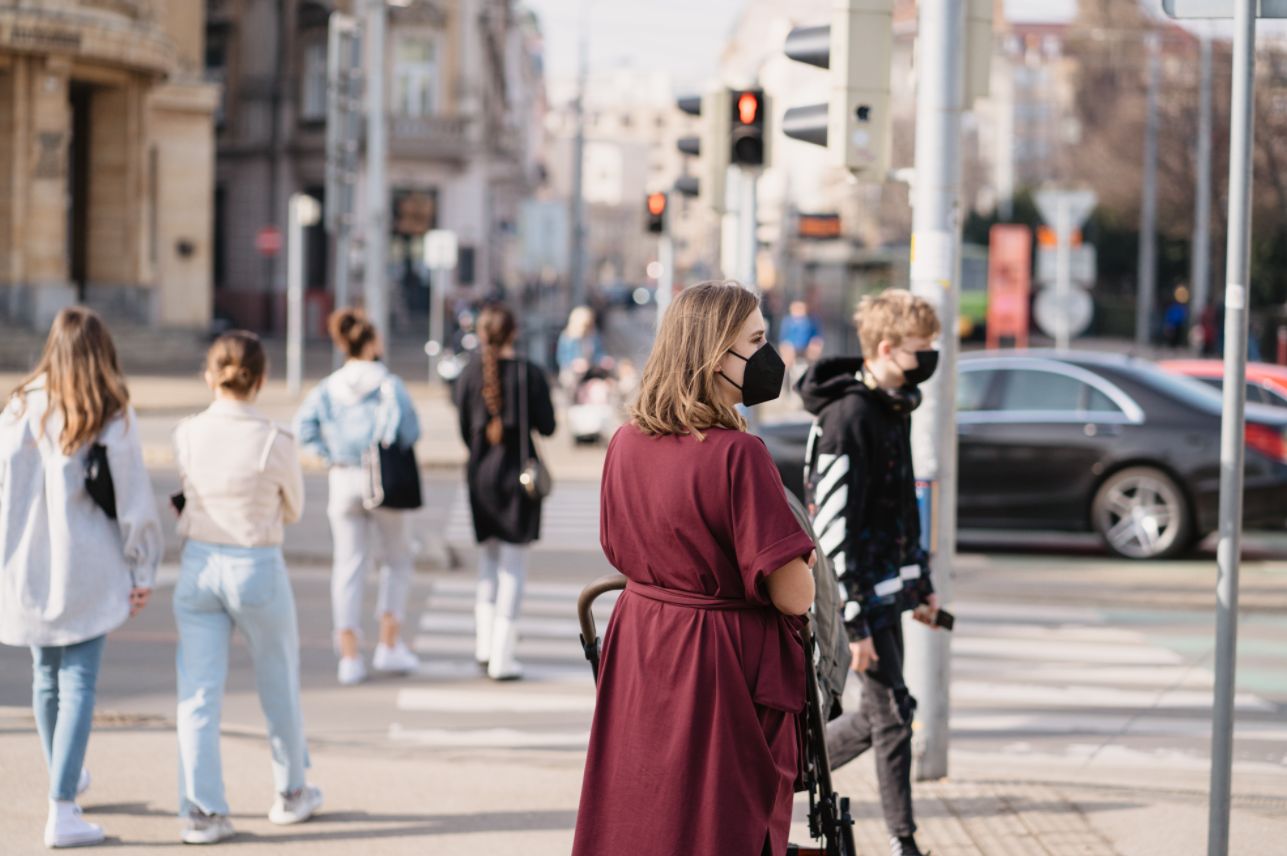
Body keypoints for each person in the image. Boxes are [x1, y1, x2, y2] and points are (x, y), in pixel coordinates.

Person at [573, 281, 816, 856]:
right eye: (755, 341)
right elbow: (795, 596)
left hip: (642, 646)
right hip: (720, 664)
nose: (768, 355)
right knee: (715, 822)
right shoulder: (738, 453)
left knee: (642, 812)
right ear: (713, 355)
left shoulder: (626, 442)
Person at [0, 307, 163, 848]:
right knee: (78, 685)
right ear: (101, 351)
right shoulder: (108, 411)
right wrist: (143, 566)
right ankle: (63, 806)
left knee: (44, 680)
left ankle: (64, 778)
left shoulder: (19, 406)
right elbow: (136, 504)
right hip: (89, 566)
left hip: (26, 566)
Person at [798, 288, 944, 856]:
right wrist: (852, 622)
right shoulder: (848, 416)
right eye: (920, 348)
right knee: (891, 715)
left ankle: (780, 769)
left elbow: (900, 508)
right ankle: (902, 841)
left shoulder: (891, 405)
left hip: (883, 593)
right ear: (886, 348)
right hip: (854, 597)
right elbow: (831, 529)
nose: (928, 358)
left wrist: (921, 586)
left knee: (890, 713)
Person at [171, 331, 322, 844]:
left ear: (209, 376)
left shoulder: (186, 432)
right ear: (261, 379)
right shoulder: (275, 439)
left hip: (197, 564)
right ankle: (291, 792)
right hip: (256, 562)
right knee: (277, 681)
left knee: (197, 693)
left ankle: (202, 811)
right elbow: (295, 508)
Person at [295, 308, 422, 686]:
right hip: (382, 482)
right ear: (370, 342)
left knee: (348, 566)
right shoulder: (388, 384)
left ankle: (349, 656)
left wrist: (328, 454)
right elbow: (409, 432)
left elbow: (303, 427)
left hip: (342, 479)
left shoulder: (329, 386)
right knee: (397, 560)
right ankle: (389, 644)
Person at [453, 303, 556, 680]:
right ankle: (502, 656)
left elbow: (464, 430)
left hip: (480, 475)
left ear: (481, 335)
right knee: (513, 566)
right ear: (514, 333)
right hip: (518, 477)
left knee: (488, 561)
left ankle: (484, 647)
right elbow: (548, 426)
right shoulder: (529, 374)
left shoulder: (467, 374)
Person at [556, 305, 605, 393]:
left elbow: (599, 353)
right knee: (570, 381)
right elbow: (562, 358)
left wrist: (601, 360)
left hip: (590, 369)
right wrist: (575, 363)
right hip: (573, 372)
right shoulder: (567, 337)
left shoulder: (593, 335)